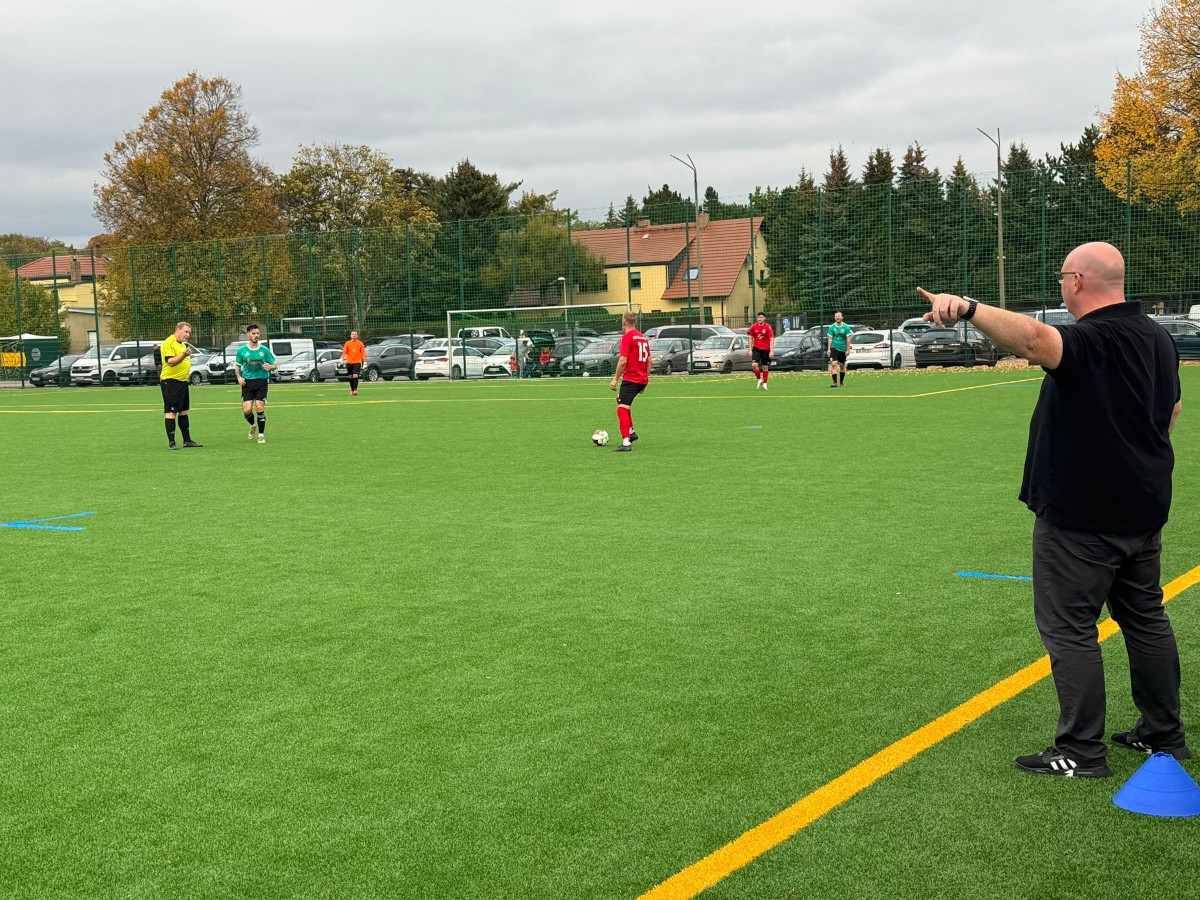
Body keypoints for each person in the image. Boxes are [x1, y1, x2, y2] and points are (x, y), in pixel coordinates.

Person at [918, 241, 1188, 779]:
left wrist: (968, 308)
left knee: (1069, 628)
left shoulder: (1092, 338)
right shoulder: (1157, 337)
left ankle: (1081, 750)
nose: (1061, 288)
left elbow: (1037, 340)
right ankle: (1163, 733)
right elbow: (1172, 409)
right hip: (1142, 508)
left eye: (1062, 278)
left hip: (1083, 517)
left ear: (1078, 281)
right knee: (1145, 618)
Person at [609, 310, 650, 452]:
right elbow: (649, 360)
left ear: (624, 322)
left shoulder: (627, 337)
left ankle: (626, 442)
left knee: (621, 408)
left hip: (632, 378)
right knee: (621, 400)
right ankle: (631, 432)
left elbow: (622, 360)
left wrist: (615, 379)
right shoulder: (643, 337)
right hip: (641, 379)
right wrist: (645, 379)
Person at [158, 322, 202, 450]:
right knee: (171, 411)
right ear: (178, 330)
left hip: (182, 382)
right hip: (170, 382)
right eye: (186, 332)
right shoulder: (169, 342)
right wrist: (184, 355)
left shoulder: (182, 344)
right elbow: (170, 362)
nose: (188, 335)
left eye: (189, 332)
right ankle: (172, 442)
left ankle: (187, 441)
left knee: (183, 411)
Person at [234, 324, 277, 445]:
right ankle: (253, 425)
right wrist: (239, 377)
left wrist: (271, 367)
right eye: (253, 333)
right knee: (247, 410)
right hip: (247, 382)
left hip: (261, 381)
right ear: (248, 334)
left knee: (259, 406)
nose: (256, 335)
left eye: (258, 333)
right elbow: (237, 366)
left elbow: (274, 365)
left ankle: (261, 435)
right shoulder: (242, 350)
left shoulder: (264, 350)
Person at [748, 311, 775, 390]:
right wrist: (750, 349)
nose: (759, 319)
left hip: (766, 349)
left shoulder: (767, 327)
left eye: (761, 317)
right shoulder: (754, 327)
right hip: (756, 348)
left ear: (764, 318)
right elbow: (751, 338)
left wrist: (771, 351)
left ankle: (765, 383)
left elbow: (771, 339)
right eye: (758, 317)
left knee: (765, 367)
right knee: (754, 365)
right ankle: (759, 379)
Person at [827, 311, 853, 388]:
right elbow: (830, 338)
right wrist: (829, 349)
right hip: (834, 348)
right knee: (834, 363)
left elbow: (848, 339)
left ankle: (841, 382)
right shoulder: (832, 327)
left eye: (839, 316)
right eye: (836, 316)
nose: (837, 317)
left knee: (842, 366)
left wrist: (848, 350)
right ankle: (834, 382)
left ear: (842, 317)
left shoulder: (846, 327)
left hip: (843, 349)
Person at [342, 330, 366, 395]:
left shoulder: (360, 343)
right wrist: (342, 358)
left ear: (357, 335)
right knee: (350, 376)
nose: (354, 335)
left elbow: (363, 353)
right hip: (349, 362)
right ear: (351, 335)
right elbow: (344, 352)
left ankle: (355, 390)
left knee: (355, 375)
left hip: (357, 362)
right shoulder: (347, 343)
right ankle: (352, 389)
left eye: (355, 334)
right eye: (353, 334)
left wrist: (365, 361)